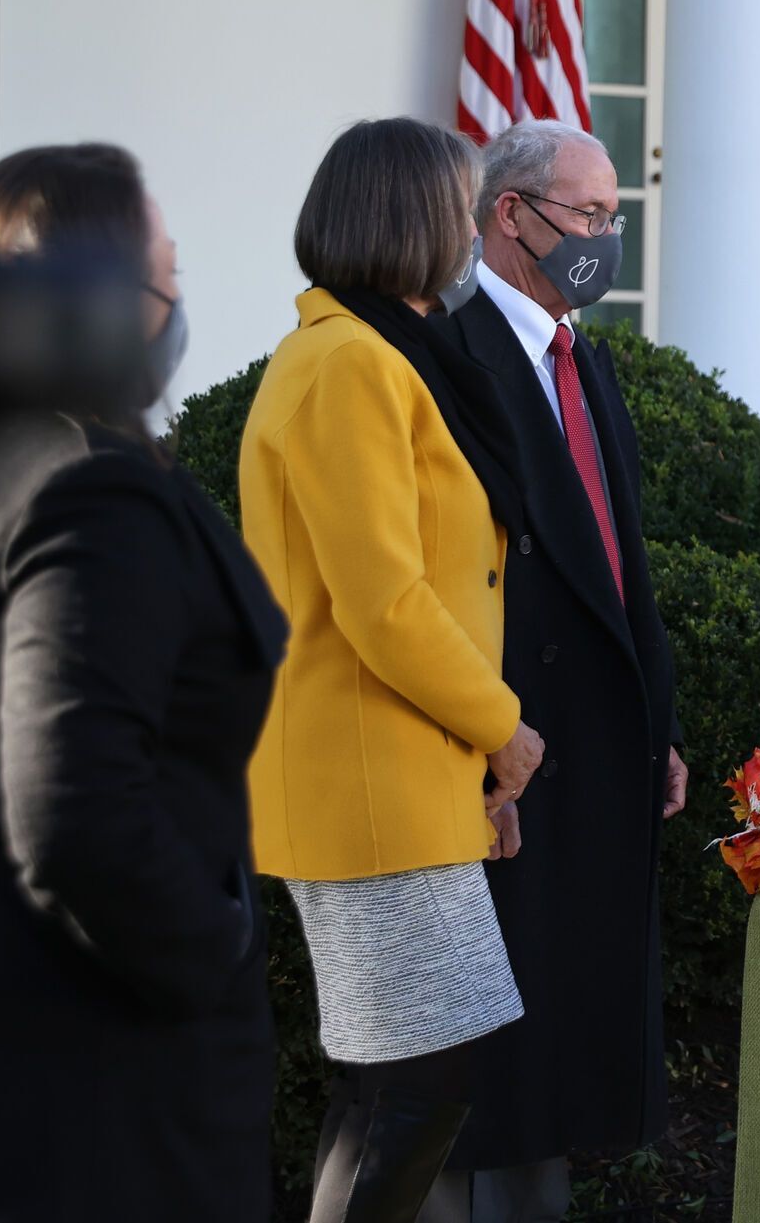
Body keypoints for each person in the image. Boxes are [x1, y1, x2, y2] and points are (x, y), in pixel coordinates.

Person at [0, 145, 287, 1220]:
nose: (176, 305)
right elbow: (77, 813)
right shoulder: (87, 498)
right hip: (106, 1090)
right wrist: (215, 948)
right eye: (165, 276)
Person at [240, 118, 545, 1222]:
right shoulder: (346, 363)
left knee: (395, 1089)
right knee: (416, 1090)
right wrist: (503, 729)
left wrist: (476, 768)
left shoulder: (374, 352)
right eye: (460, 208)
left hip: (405, 772)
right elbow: (383, 600)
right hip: (368, 779)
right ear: (409, 218)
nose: (471, 230)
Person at [425, 120, 687, 1222]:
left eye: (613, 215)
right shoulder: (452, 350)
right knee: (493, 1053)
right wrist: (487, 741)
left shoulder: (586, 354)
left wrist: (655, 723)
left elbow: (624, 561)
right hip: (510, 750)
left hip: (596, 741)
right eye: (586, 216)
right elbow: (455, 575)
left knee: (565, 1024)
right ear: (508, 215)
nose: (603, 237)